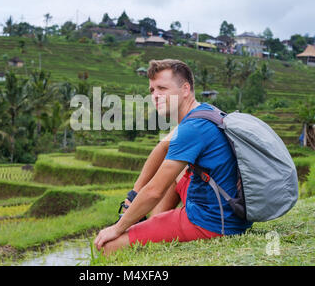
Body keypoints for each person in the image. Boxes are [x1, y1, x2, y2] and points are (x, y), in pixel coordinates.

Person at [94, 59, 252, 255]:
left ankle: (150, 231)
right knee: (176, 173)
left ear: (185, 89)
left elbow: (154, 191)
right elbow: (163, 148)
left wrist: (117, 228)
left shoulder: (191, 129)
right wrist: (132, 198)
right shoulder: (204, 112)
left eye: (162, 88)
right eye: (152, 90)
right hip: (229, 211)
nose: (155, 95)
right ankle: (153, 228)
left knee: (107, 247)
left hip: (211, 222)